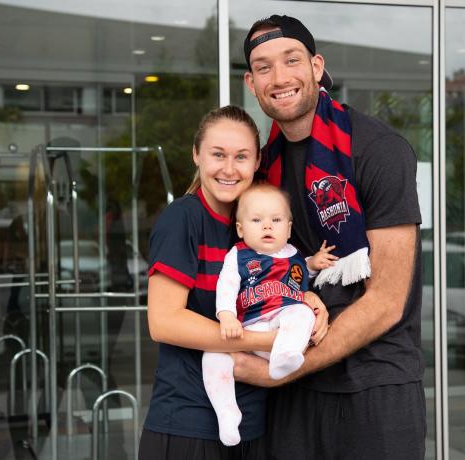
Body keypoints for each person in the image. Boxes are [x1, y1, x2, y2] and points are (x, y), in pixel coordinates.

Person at [235, 14, 426, 459]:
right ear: (251, 82)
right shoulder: (263, 170)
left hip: (374, 389)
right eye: (263, 67)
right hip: (293, 391)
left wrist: (279, 370)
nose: (279, 78)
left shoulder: (379, 150)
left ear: (317, 67)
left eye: (292, 60)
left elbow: (386, 301)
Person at [139, 105, 329, 460]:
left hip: (251, 423)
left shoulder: (255, 224)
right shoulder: (184, 218)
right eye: (217, 154)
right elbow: (163, 322)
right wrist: (271, 341)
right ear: (197, 155)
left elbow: (279, 283)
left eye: (241, 156)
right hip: (189, 424)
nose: (229, 168)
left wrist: (309, 300)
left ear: (257, 161)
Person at [203, 183, 337, 446]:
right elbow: (227, 284)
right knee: (212, 356)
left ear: (288, 228)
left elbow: (301, 271)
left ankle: (284, 357)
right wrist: (227, 315)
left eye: (276, 220)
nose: (267, 226)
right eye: (257, 220)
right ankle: (227, 412)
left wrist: (314, 262)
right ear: (241, 229)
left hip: (282, 323)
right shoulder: (239, 255)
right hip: (251, 327)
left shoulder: (294, 255)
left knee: (302, 312)